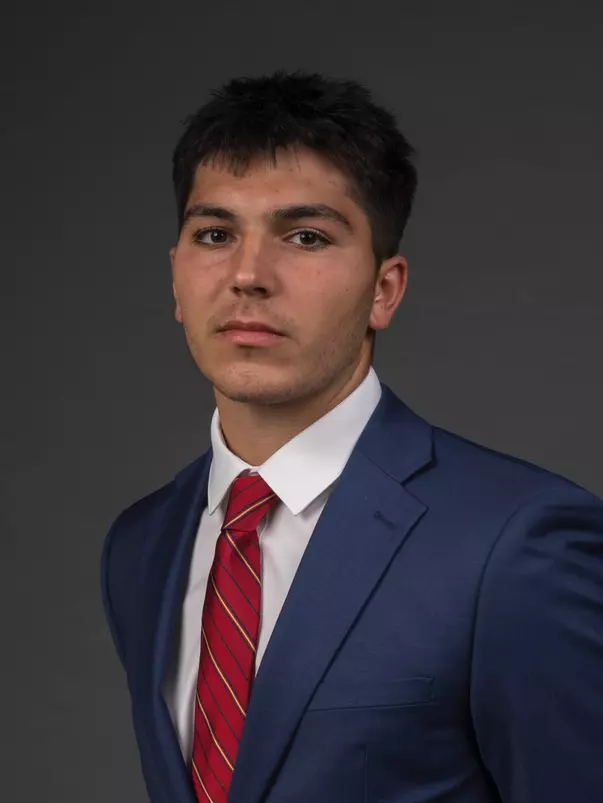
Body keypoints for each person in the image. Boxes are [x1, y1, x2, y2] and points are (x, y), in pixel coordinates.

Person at [100, 70, 603, 803]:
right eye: (214, 234)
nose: (246, 274)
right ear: (176, 277)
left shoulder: (517, 543)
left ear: (383, 289)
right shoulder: (140, 545)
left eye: (305, 236)